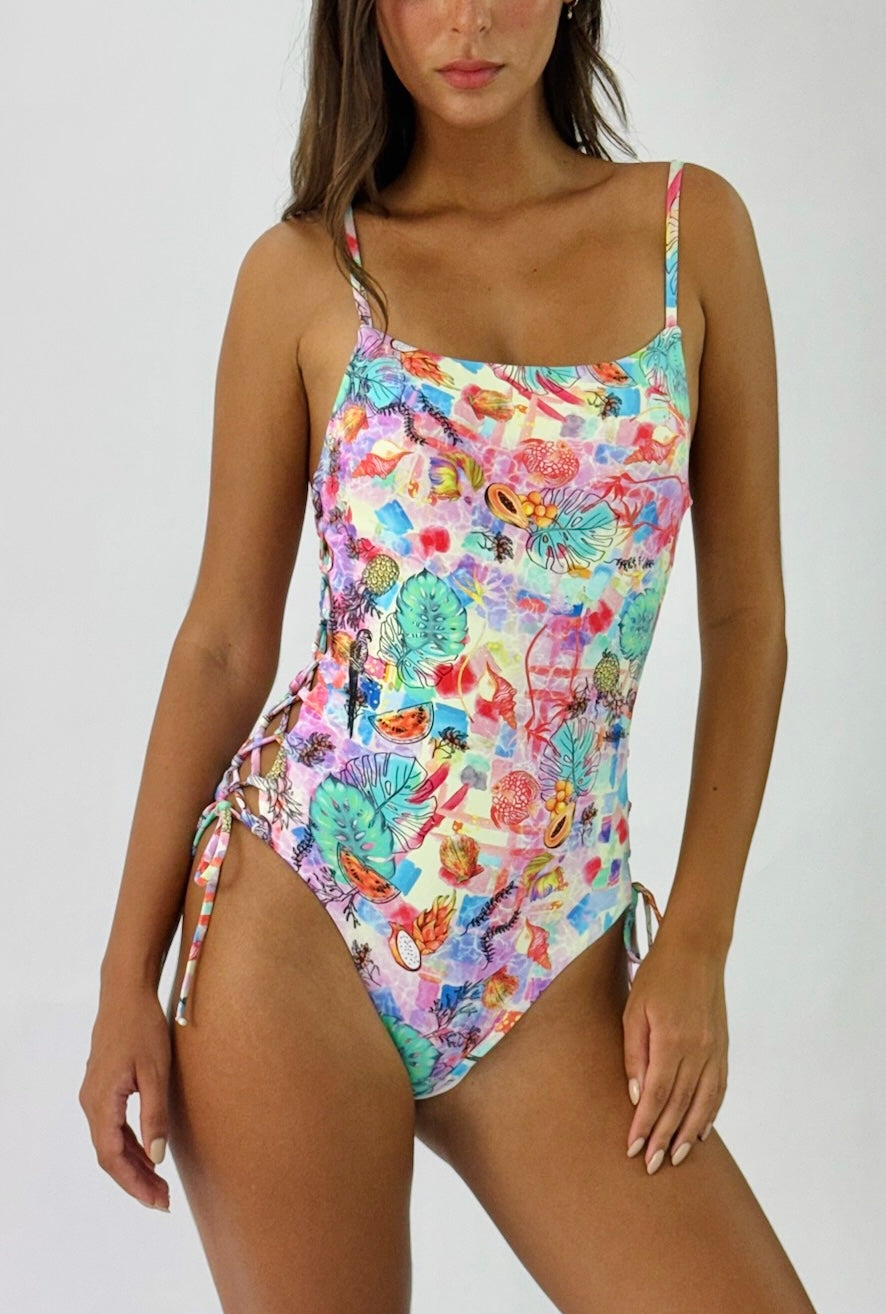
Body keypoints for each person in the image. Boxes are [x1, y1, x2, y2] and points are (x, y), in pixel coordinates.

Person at [79, 1, 818, 1310]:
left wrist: (697, 940)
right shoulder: (306, 272)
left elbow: (747, 623)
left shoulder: (687, 232)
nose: (469, 19)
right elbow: (223, 645)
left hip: (551, 958)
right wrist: (121, 980)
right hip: (297, 927)